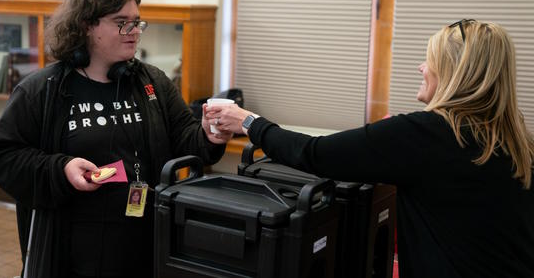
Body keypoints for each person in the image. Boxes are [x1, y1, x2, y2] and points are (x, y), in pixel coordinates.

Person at [207, 20, 534, 278]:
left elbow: (315, 154)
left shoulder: (428, 134)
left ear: (453, 72)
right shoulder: (516, 138)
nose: (421, 67)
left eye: (430, 60)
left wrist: (250, 123)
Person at [0, 0, 232, 278]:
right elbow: (3, 158)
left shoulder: (152, 82)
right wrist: (61, 169)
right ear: (87, 25)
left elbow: (187, 140)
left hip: (144, 242)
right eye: (121, 22)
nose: (134, 32)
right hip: (71, 251)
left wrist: (211, 134)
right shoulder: (41, 90)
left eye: (137, 22)